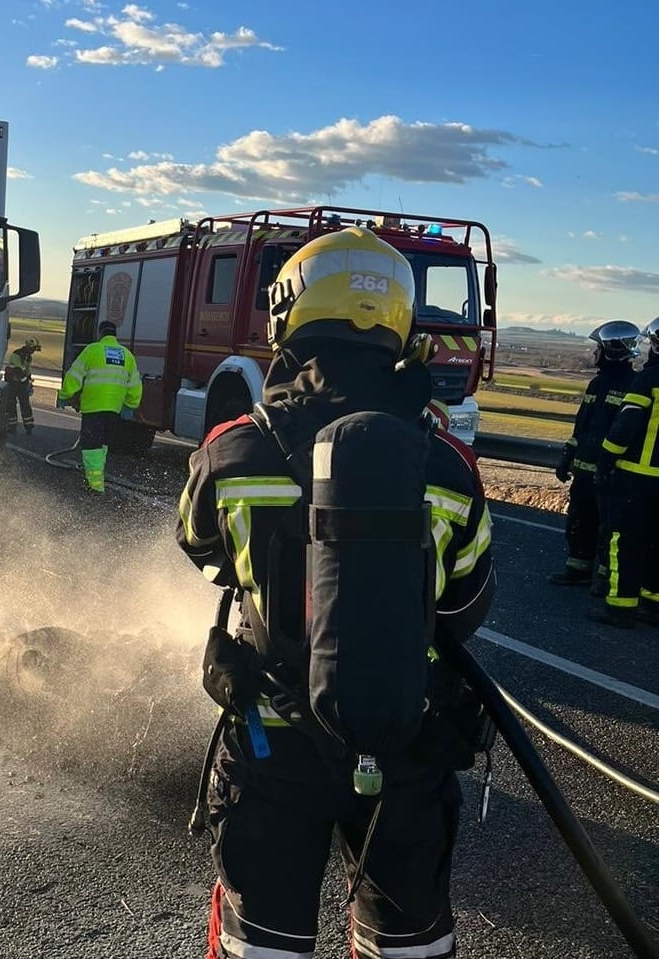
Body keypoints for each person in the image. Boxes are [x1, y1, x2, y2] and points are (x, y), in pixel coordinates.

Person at [176, 227, 495, 959]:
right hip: (403, 740)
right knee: (407, 945)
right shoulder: (447, 463)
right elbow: (465, 604)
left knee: (263, 945)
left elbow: (200, 548)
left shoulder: (231, 448)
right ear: (399, 324)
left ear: (286, 314)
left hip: (270, 742)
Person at [550, 321, 640, 588]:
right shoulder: (596, 385)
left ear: (610, 349)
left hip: (610, 473)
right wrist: (567, 455)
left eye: (598, 348)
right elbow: (582, 425)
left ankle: (603, 579)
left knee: (607, 526)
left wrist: (609, 467)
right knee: (580, 519)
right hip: (584, 471)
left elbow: (626, 433)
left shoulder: (633, 385)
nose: (594, 354)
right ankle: (578, 568)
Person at [592, 316, 659, 628]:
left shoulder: (648, 380)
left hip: (637, 478)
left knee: (626, 541)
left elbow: (625, 428)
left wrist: (605, 461)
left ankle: (620, 608)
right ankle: (653, 605)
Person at [57, 320, 142, 493]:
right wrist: (131, 404)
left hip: (93, 408)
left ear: (101, 334)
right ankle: (95, 476)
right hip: (114, 410)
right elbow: (135, 385)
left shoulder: (92, 350)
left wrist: (64, 395)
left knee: (90, 446)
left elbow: (74, 376)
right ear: (115, 335)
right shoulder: (127, 355)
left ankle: (95, 485)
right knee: (103, 444)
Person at [4, 336, 42, 434]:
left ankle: (28, 425)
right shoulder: (17, 355)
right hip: (13, 383)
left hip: (19, 383)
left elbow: (27, 370)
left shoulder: (27, 356)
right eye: (33, 349)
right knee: (11, 404)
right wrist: (26, 380)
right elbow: (19, 370)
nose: (34, 351)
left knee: (24, 404)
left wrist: (29, 381)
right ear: (29, 347)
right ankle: (12, 426)